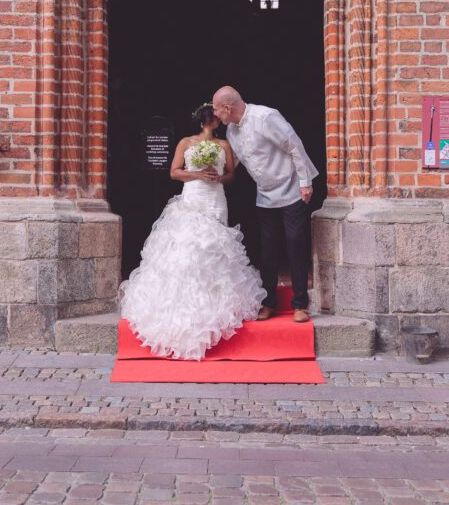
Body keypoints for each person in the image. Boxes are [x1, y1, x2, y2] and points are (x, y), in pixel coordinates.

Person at [119, 103, 266, 360]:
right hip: (194, 196)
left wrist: (218, 178)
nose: (217, 121)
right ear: (205, 120)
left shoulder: (223, 146)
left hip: (215, 198)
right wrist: (198, 174)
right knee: (191, 244)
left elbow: (231, 175)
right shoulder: (186, 143)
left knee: (215, 243)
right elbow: (174, 172)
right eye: (213, 118)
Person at [212, 86, 318, 323]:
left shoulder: (265, 116)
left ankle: (300, 304)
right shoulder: (231, 131)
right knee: (268, 249)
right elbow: (238, 159)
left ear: (228, 108)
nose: (216, 116)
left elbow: (294, 145)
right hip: (265, 194)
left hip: (291, 187)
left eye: (217, 110)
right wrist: (213, 170)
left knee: (295, 243)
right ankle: (269, 303)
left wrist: (305, 182)